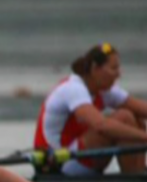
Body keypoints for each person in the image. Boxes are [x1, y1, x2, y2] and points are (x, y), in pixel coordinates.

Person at [33, 43, 147, 175]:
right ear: (95, 68)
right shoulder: (73, 89)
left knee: (136, 117)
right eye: (113, 68)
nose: (118, 74)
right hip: (56, 163)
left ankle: (138, 174)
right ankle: (134, 180)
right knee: (124, 117)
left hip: (79, 156)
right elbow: (102, 126)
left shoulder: (104, 90)